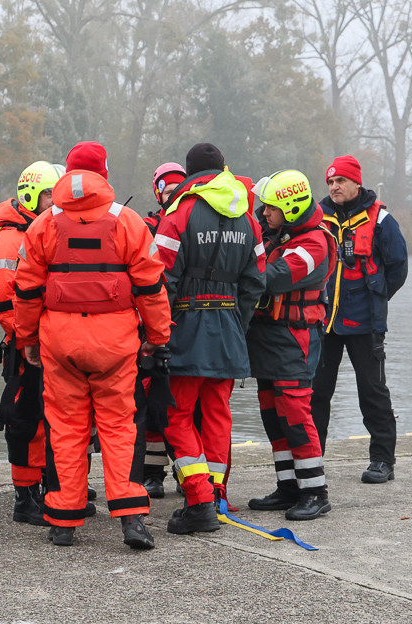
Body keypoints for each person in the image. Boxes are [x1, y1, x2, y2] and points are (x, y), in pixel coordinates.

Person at [14, 142, 172, 549]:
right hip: (115, 342)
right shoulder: (129, 221)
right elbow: (152, 288)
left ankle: (64, 520)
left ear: (66, 174)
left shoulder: (43, 224)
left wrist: (27, 338)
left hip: (60, 341)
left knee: (65, 429)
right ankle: (132, 519)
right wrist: (157, 337)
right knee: (121, 428)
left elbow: (27, 290)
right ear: (104, 173)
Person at [154, 142, 265, 535]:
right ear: (223, 170)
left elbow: (159, 279)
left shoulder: (180, 211)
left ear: (189, 174)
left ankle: (198, 499)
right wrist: (238, 322)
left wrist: (157, 332)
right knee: (217, 413)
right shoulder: (249, 217)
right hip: (229, 327)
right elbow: (256, 281)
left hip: (186, 327)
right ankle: (216, 495)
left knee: (177, 414)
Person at [310, 155, 408, 483]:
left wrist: (377, 298)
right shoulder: (317, 216)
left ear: (356, 183)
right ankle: (311, 463)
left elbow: (398, 267)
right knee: (316, 393)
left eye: (340, 181)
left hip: (365, 323)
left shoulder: (380, 219)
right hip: (324, 321)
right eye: (330, 182)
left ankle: (383, 461)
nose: (334, 187)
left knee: (372, 391)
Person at [246, 170, 336, 520]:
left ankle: (315, 491)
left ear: (292, 208)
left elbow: (273, 277)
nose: (264, 213)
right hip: (269, 338)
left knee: (296, 416)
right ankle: (288, 487)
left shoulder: (314, 243)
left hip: (294, 338)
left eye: (271, 208)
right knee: (272, 416)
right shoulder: (279, 235)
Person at [0, 160, 63, 525]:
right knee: (25, 421)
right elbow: (4, 303)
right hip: (25, 346)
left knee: (49, 421)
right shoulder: (7, 240)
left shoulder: (43, 230)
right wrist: (30, 338)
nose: (55, 200)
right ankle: (25, 498)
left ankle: (48, 490)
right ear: (32, 195)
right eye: (50, 194)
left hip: (48, 342)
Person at [141, 161, 188, 497]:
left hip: (184, 323)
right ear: (158, 194)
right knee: (152, 403)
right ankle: (152, 473)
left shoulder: (190, 222)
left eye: (177, 190)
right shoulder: (145, 226)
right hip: (154, 324)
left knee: (183, 405)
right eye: (167, 191)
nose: (172, 197)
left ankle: (184, 469)